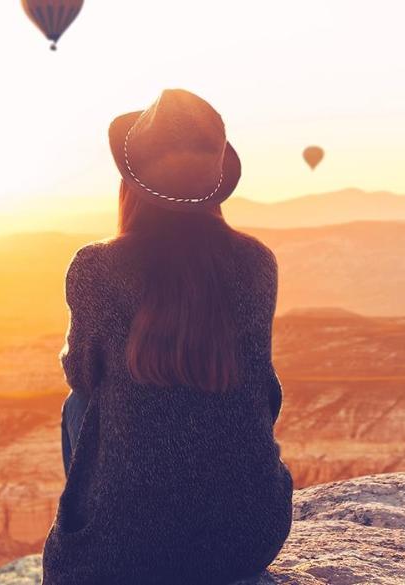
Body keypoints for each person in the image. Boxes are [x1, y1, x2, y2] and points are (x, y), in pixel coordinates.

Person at [43, 89, 293, 584]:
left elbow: (83, 374)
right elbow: (263, 388)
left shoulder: (95, 267)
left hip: (123, 555)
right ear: (216, 185)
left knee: (79, 403)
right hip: (248, 536)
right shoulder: (257, 263)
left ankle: (117, 519)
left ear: (131, 184)